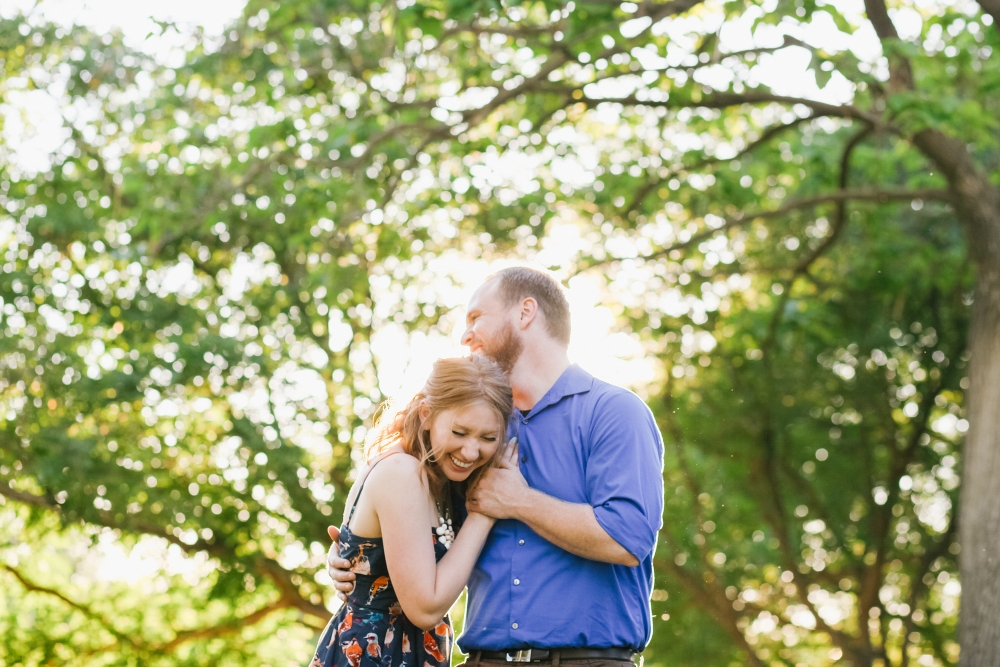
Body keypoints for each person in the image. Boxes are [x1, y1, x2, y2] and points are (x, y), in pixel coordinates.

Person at [329, 267, 665, 667]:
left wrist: (519, 502)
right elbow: (401, 504)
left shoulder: (613, 412)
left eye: (475, 318)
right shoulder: (473, 432)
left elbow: (628, 539)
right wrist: (356, 559)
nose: (465, 335)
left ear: (525, 313)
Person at [308, 355, 516, 667]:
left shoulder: (437, 475)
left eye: (488, 438)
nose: (472, 452)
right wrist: (486, 511)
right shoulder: (402, 472)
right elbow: (424, 610)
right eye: (459, 432)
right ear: (427, 414)